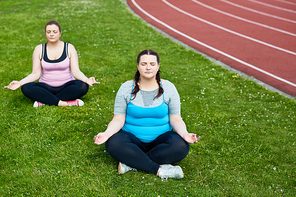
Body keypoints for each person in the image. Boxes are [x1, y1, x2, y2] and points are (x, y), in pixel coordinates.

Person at [94, 49, 200, 180]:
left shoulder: (169, 88)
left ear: (158, 66)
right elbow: (118, 119)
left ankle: (131, 162)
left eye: (152, 64)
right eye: (144, 64)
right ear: (138, 66)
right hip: (131, 139)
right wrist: (107, 133)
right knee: (113, 143)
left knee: (181, 146)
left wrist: (185, 134)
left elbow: (176, 119)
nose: (148, 67)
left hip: (161, 140)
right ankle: (160, 170)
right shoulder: (126, 88)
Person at [4, 20, 99, 107]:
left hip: (66, 85)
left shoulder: (69, 47)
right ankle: (64, 103)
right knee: (26, 88)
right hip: (46, 87)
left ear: (60, 34)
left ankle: (44, 100)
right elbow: (35, 74)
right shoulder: (39, 49)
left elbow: (76, 71)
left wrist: (86, 80)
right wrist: (20, 83)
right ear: (45, 34)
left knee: (82, 86)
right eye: (48, 32)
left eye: (55, 32)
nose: (51, 34)